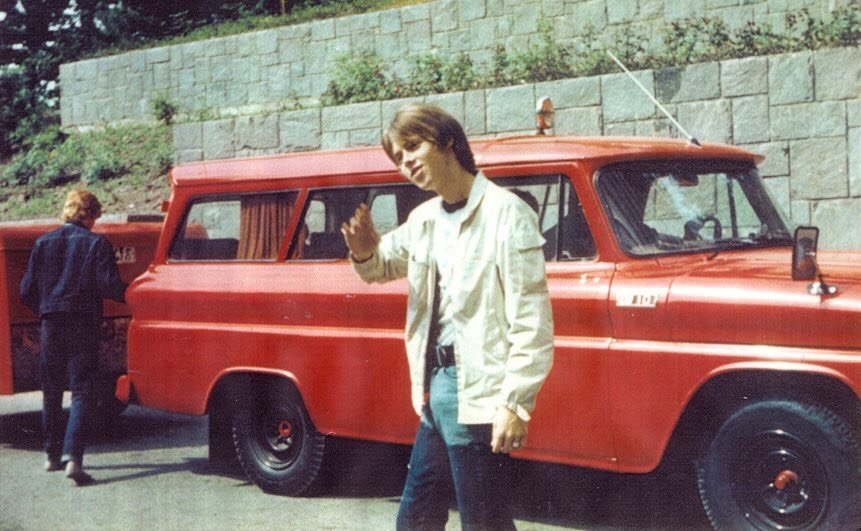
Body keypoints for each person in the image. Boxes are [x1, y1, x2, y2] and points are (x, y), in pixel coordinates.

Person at [341, 103, 554, 530]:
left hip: (477, 394)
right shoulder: (423, 220)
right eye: (398, 157)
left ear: (446, 140)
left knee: (484, 523)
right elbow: (380, 266)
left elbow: (532, 321)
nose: (406, 163)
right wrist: (363, 250)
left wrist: (515, 403)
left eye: (413, 147)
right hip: (433, 394)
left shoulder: (506, 213)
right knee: (416, 521)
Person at [19, 190, 127, 486]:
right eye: (95, 217)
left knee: (52, 390)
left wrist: (46, 308)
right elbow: (110, 286)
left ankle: (51, 456)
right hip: (83, 323)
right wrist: (135, 292)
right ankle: (74, 459)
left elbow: (25, 291)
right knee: (82, 391)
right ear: (89, 214)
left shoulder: (43, 243)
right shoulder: (97, 243)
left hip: (51, 323)